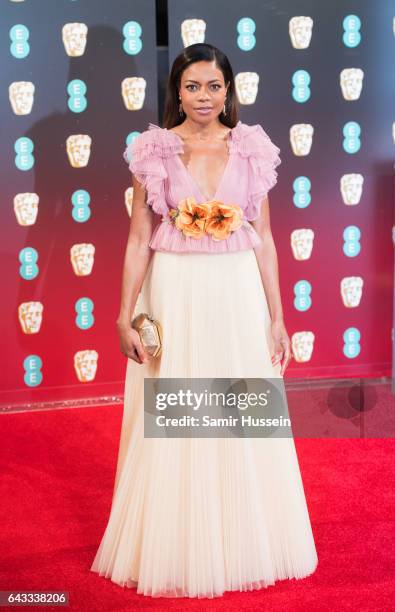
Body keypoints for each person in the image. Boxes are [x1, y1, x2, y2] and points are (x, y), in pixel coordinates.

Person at [90, 43, 318, 599]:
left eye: (213, 86)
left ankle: (244, 538)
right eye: (192, 86)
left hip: (237, 291)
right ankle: (179, 543)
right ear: (177, 92)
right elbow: (139, 238)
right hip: (177, 291)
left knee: (241, 407)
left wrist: (277, 317)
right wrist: (125, 315)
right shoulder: (154, 150)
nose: (203, 97)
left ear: (228, 90)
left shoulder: (251, 148)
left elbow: (264, 239)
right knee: (178, 412)